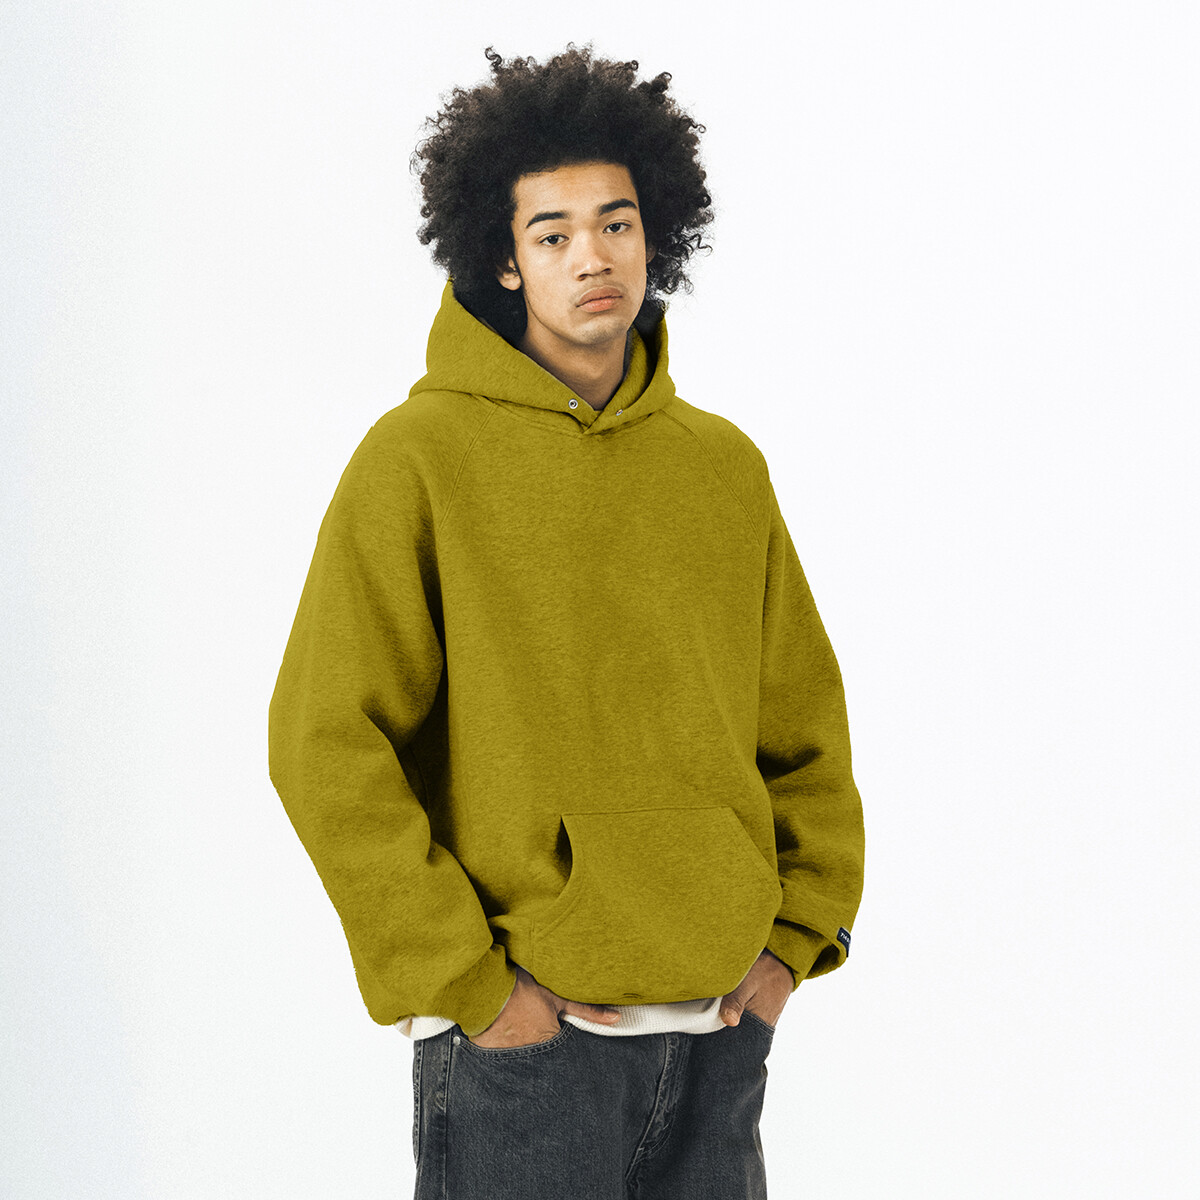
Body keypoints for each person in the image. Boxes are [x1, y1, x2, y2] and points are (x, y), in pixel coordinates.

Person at [268, 43, 865, 1200]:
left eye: (616, 223)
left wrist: (789, 949)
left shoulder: (723, 469)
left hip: (717, 1039)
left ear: (655, 235)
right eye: (553, 235)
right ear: (503, 260)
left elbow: (805, 738)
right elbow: (324, 743)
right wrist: (476, 991)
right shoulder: (418, 460)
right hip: (523, 1059)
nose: (594, 257)